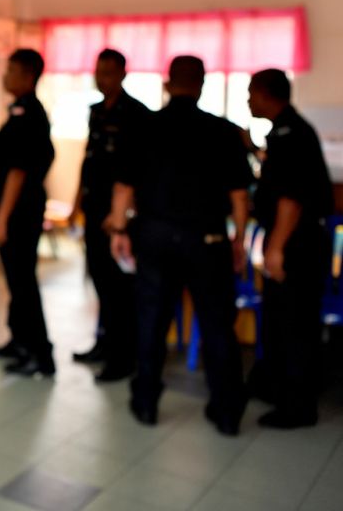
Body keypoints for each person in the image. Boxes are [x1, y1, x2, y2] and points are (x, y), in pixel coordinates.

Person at [108, 56, 252, 436]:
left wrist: (119, 231)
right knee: (218, 325)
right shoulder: (224, 131)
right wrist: (237, 239)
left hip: (154, 237)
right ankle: (226, 412)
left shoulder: (143, 127)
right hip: (207, 239)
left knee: (152, 320)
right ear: (201, 84)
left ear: (169, 84)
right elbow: (240, 196)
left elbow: (124, 188)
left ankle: (145, 404)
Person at [248, 69, 333, 429]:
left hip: (296, 243)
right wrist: (253, 151)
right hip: (293, 239)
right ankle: (276, 388)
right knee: (281, 322)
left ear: (268, 94)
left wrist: (277, 249)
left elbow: (291, 199)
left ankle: (297, 407)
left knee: (294, 325)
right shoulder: (285, 131)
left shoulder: (291, 133)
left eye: (251, 93)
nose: (248, 101)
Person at [70, 49, 149, 381]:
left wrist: (123, 216)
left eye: (109, 72)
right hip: (94, 209)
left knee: (120, 289)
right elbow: (89, 161)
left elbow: (139, 173)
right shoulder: (97, 113)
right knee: (100, 283)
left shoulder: (136, 115)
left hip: (119, 219)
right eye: (98, 72)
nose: (102, 79)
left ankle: (122, 358)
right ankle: (103, 342)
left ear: (122, 74)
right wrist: (76, 200)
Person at [0, 49, 57, 376]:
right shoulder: (20, 110)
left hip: (20, 209)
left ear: (28, 76)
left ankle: (39, 353)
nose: (5, 76)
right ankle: (19, 340)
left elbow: (18, 171)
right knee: (16, 281)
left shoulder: (29, 113)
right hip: (16, 205)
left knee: (23, 282)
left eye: (11, 70)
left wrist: (1, 218)